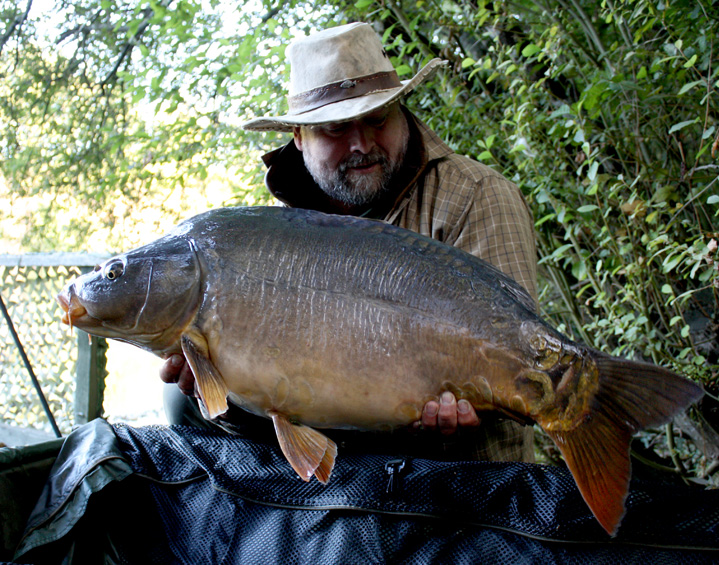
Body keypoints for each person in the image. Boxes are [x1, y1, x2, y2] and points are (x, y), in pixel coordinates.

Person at [161, 22, 538, 463]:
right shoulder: (280, 238)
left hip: (467, 486)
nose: (362, 144)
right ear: (299, 138)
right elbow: (291, 396)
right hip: (349, 487)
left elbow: (521, 356)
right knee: (180, 400)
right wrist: (224, 392)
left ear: (401, 111)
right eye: (336, 128)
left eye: (377, 118)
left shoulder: (475, 194)